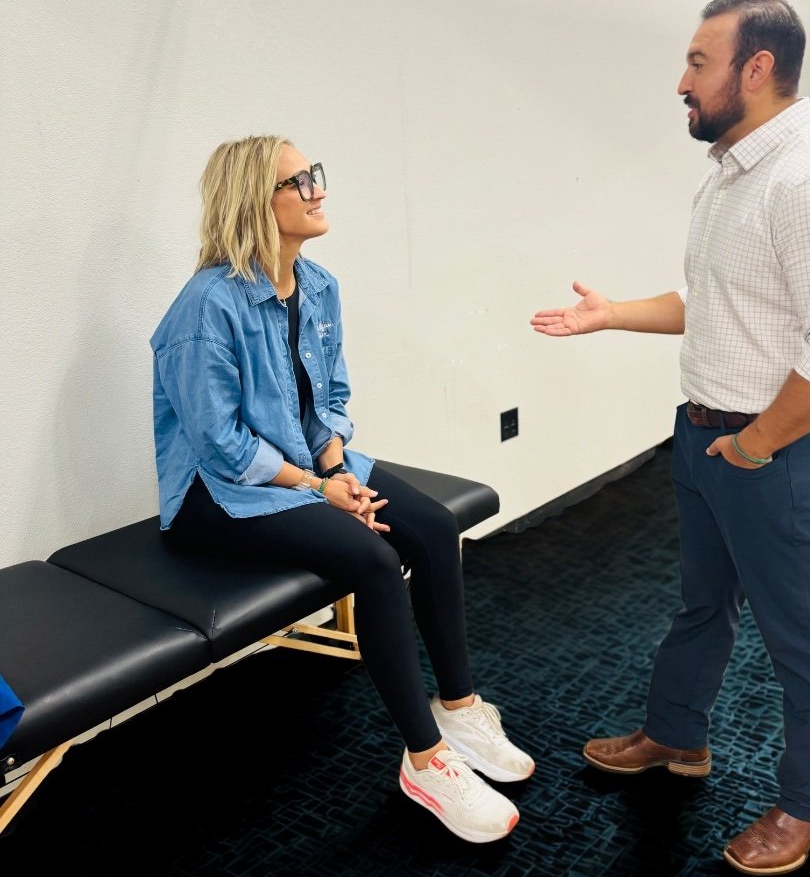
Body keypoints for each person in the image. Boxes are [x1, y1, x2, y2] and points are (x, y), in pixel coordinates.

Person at [531, 0, 810, 875]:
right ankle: (676, 738)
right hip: (705, 439)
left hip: (775, 452)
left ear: (754, 68)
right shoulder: (733, 173)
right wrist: (612, 315)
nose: (680, 81)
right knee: (701, 606)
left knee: (802, 636)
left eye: (697, 62)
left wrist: (759, 444)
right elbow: (717, 307)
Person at [151, 135, 534, 844]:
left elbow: (330, 397)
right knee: (373, 557)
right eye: (297, 181)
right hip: (220, 495)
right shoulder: (205, 307)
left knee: (432, 526)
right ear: (252, 203)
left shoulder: (318, 284)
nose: (317, 189)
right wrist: (317, 487)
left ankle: (458, 705)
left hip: (306, 467)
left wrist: (333, 468)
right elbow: (219, 443)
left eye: (313, 175)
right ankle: (425, 760)